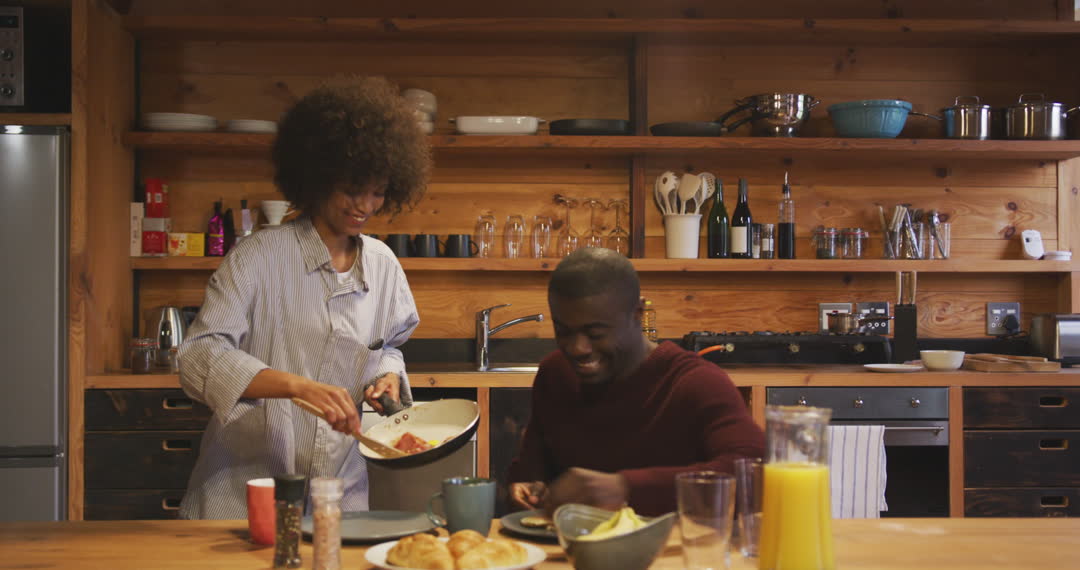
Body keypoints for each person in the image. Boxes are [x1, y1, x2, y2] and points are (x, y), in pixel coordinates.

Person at [177, 77, 431, 519]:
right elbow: (199, 357)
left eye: (377, 191)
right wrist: (296, 386)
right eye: (353, 188)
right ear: (318, 178)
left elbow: (388, 346)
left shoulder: (384, 266)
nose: (365, 205)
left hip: (339, 496)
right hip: (244, 494)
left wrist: (387, 375)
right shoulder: (258, 257)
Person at [507, 247, 765, 516]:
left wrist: (625, 488)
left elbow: (755, 471)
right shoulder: (555, 374)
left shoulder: (694, 383)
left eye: (595, 334)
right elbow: (531, 471)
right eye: (563, 331)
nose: (577, 348)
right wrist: (527, 489)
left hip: (675, 542)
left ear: (638, 313)